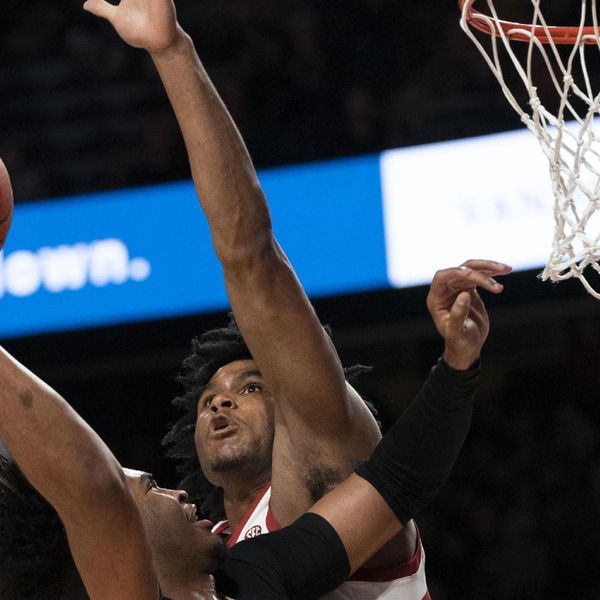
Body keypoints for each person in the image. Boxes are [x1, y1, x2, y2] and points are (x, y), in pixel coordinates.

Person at [0, 198, 502, 599]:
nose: (177, 491)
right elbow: (91, 486)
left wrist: (457, 364)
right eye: (148, 485)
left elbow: (399, 478)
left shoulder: (256, 576)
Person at [83, 0, 513, 596]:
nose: (219, 407)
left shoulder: (322, 466)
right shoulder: (218, 567)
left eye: (251, 387)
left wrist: (172, 52)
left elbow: (249, 254)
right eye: (210, 400)